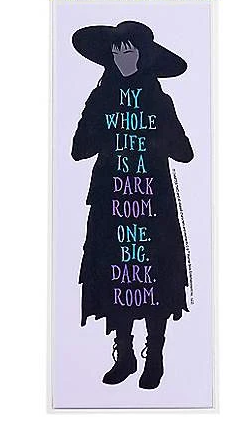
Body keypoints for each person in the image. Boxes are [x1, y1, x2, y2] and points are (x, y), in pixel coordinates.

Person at [71, 21, 193, 389]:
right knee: (116, 273)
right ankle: (124, 355)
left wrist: (152, 130)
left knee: (155, 274)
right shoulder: (100, 98)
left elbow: (184, 152)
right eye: (115, 53)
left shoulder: (160, 101)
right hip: (111, 202)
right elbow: (79, 149)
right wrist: (104, 121)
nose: (122, 59)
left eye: (129, 52)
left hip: (153, 203)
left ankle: (154, 356)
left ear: (144, 56)